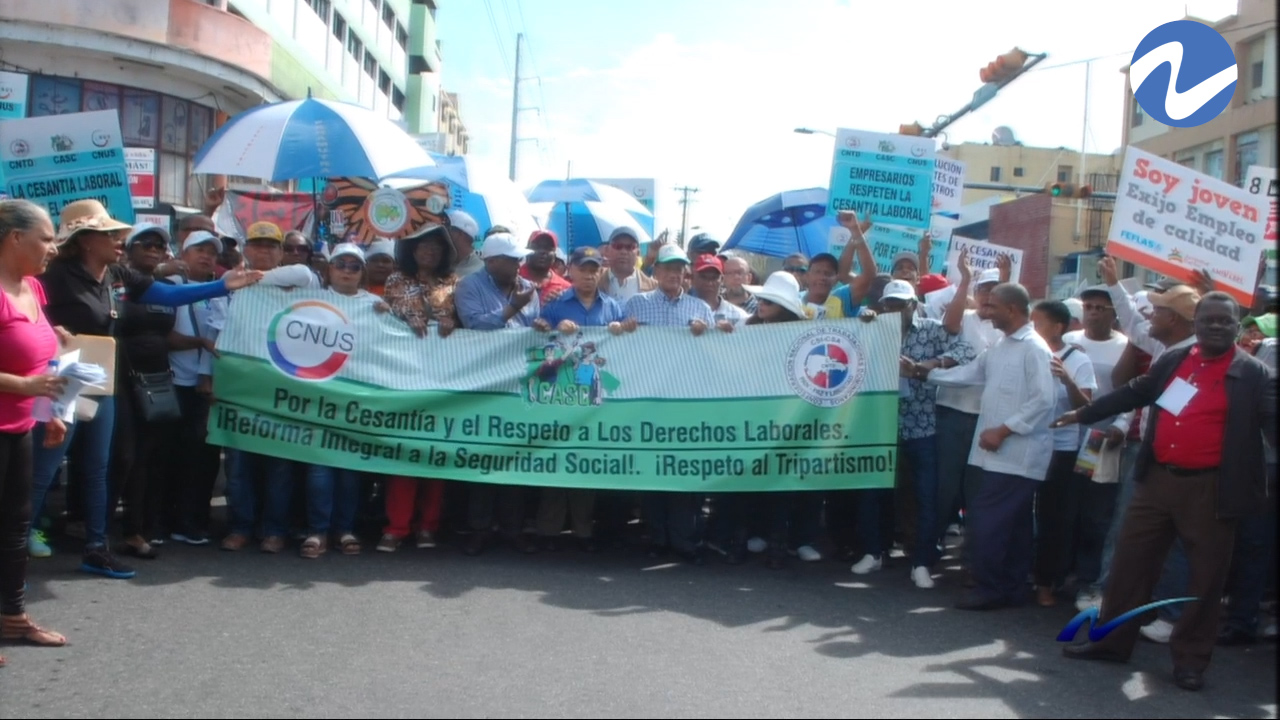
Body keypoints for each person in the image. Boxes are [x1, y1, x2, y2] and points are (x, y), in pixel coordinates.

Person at [1054, 292, 1277, 692]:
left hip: (1211, 489)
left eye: (1225, 321)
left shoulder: (1256, 375)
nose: (1215, 326)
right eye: (1207, 320)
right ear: (1194, 324)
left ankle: (1190, 661)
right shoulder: (1175, 359)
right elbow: (1137, 391)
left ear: (1237, 326)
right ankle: (1111, 643)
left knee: (1206, 580)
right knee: (1129, 565)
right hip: (1156, 480)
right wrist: (1085, 413)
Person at [31, 200, 261, 578]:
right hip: (61, 380)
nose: (119, 240)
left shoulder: (116, 273)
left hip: (106, 379)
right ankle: (15, 543)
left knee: (106, 464)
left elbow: (166, 295)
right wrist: (48, 330)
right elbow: (27, 309)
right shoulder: (55, 274)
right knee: (46, 467)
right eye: (110, 234)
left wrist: (222, 285)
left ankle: (96, 547)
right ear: (87, 240)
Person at [925, 283, 1056, 610]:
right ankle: (1010, 587)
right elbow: (971, 372)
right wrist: (923, 374)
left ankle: (990, 587)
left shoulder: (1034, 348)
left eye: (992, 307)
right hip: (994, 456)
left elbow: (1044, 400)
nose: (985, 312)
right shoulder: (1001, 346)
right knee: (1013, 525)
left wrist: (1004, 430)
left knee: (988, 522)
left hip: (1017, 456)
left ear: (1012, 310)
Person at [0, 200, 68, 666]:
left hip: (21, 425)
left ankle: (12, 618)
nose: (54, 248)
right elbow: (25, 372)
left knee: (16, 527)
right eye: (46, 238)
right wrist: (22, 385)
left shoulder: (33, 290)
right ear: (14, 238)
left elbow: (42, 358)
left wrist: (51, 409)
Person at [532, 246, 633, 552]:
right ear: (571, 271)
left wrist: (624, 329)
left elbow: (633, 345)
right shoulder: (555, 304)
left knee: (586, 464)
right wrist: (550, 328)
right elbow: (536, 338)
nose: (589, 275)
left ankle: (582, 532)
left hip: (597, 399)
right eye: (583, 269)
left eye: (594, 269)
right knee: (556, 461)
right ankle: (548, 532)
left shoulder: (613, 307)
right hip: (562, 397)